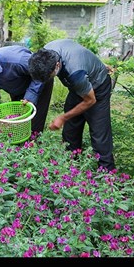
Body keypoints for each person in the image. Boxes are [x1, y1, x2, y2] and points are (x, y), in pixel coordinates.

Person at [28, 39, 115, 171]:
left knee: (99, 134)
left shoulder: (75, 72)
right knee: (70, 131)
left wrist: (62, 117)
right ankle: (70, 167)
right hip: (77, 89)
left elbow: (90, 100)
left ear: (57, 65)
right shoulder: (47, 50)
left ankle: (107, 175)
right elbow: (80, 50)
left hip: (98, 88)